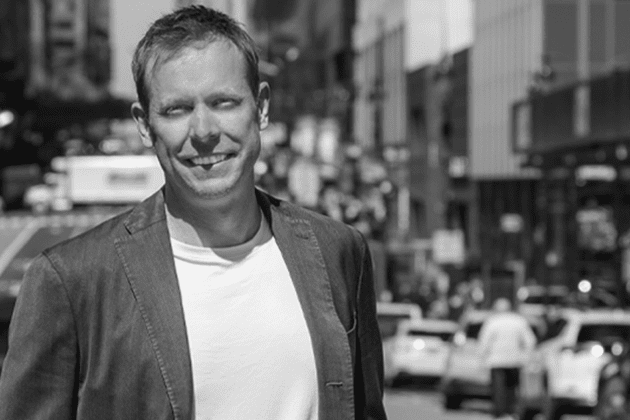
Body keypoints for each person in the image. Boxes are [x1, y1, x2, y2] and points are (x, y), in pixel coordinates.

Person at [0, 6, 387, 420]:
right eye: (176, 110)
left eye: (223, 102)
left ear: (260, 107)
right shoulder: (71, 281)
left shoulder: (338, 253)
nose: (203, 131)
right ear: (145, 125)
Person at [477, 298, 537, 420]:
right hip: (515, 361)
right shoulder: (519, 321)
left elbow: (484, 342)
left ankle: (500, 413)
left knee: (498, 389)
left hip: (496, 361)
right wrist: (526, 356)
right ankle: (512, 411)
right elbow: (530, 341)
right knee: (512, 388)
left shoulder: (492, 321)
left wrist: (482, 358)